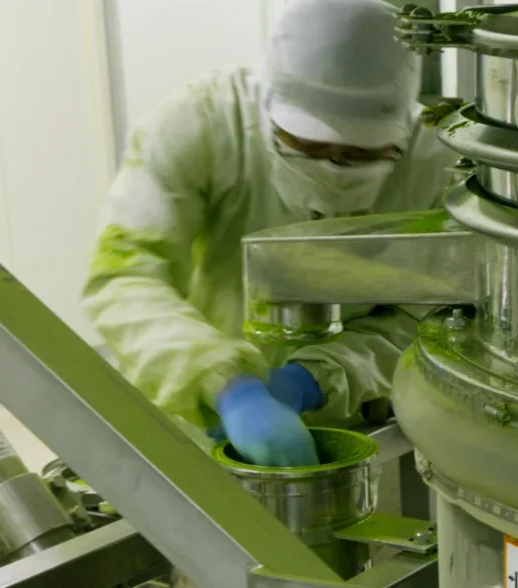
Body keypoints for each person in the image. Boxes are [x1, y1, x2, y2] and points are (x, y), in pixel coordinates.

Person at [82, 0, 457, 468]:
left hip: (361, 432)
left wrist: (322, 376)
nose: (333, 170)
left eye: (361, 156)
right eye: (309, 148)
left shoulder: (437, 164)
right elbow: (125, 280)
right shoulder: (202, 125)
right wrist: (223, 383)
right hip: (197, 419)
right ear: (270, 109)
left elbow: (433, 319)